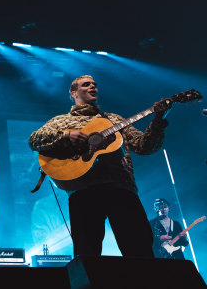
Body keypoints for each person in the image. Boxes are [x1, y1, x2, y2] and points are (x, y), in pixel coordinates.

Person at [29, 75, 172, 258]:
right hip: (83, 190)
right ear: (74, 93)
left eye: (95, 85)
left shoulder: (113, 119)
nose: (92, 87)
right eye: (86, 84)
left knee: (139, 247)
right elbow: (34, 140)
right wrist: (66, 136)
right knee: (87, 251)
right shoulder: (61, 121)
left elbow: (144, 146)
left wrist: (159, 119)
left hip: (121, 187)